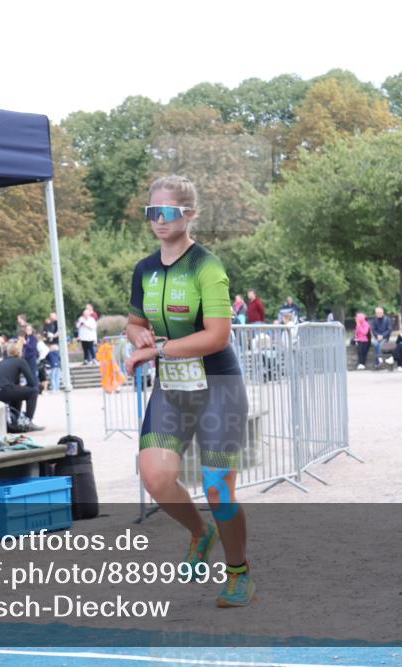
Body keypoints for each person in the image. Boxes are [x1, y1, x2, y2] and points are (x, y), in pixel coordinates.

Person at [124, 175, 253, 608]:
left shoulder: (207, 266)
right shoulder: (143, 269)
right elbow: (135, 322)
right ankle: (201, 533)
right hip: (173, 386)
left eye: (167, 212)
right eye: (151, 212)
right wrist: (136, 337)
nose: (158, 220)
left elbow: (218, 336)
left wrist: (157, 348)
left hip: (217, 385)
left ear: (189, 214)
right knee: (156, 475)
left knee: (218, 487)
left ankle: (238, 572)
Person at [0, 342, 43, 432]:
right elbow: (32, 383)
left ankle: (15, 421)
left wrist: (21, 387)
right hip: (3, 390)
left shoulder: (2, 362)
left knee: (17, 392)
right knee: (33, 391)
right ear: (19, 352)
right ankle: (27, 422)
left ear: (8, 352)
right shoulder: (20, 361)